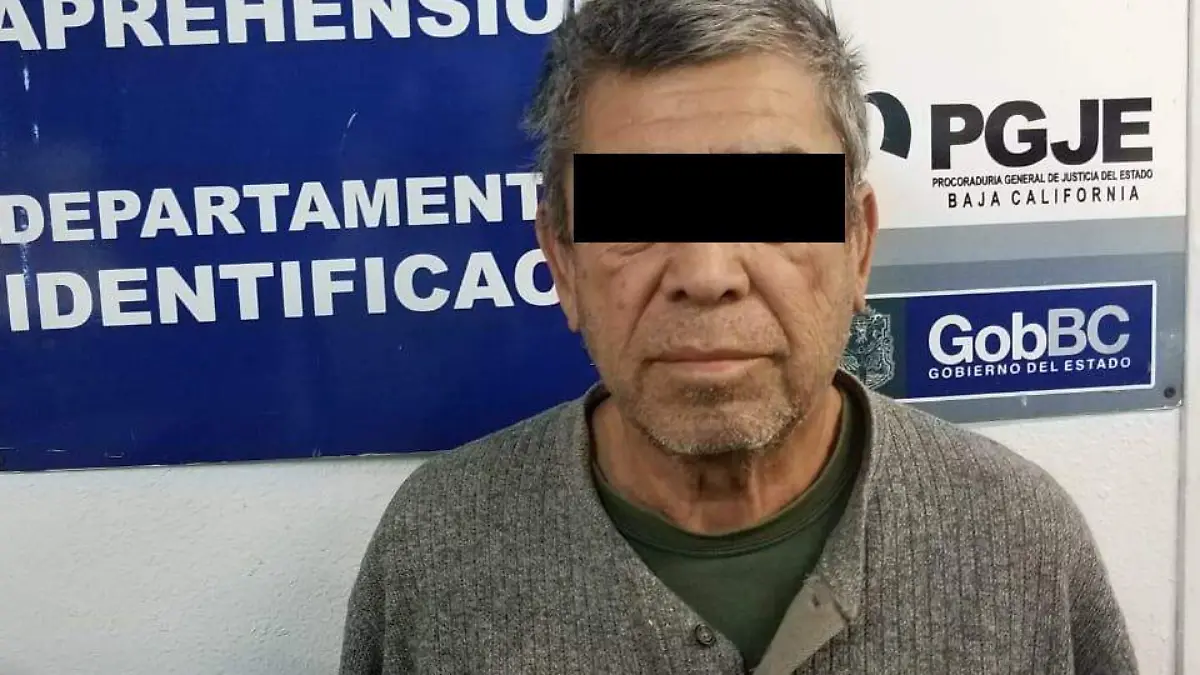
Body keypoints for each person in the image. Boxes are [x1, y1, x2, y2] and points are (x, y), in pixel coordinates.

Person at [338, 0, 1138, 673]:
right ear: (563, 260)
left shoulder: (1021, 543)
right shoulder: (435, 554)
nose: (707, 272)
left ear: (858, 245)